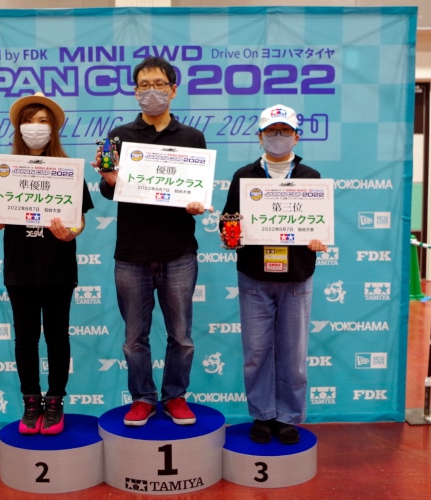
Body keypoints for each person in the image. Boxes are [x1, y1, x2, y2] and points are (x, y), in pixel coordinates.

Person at [94, 57, 209, 427]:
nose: (151, 92)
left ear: (173, 89)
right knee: (134, 338)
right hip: (132, 253)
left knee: (182, 336)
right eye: (144, 85)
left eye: (159, 84)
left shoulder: (191, 137)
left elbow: (198, 190)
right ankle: (142, 398)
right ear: (135, 92)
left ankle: (175, 396)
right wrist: (109, 180)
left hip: (179, 252)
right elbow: (108, 191)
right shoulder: (118, 136)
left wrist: (197, 203)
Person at [0, 92, 94, 435]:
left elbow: (79, 221)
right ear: (18, 128)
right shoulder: (5, 170)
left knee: (57, 337)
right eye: (29, 121)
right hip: (20, 268)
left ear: (53, 129)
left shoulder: (69, 171)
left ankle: (55, 401)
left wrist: (70, 233)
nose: (35, 128)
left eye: (42, 122)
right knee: (25, 339)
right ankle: (30, 402)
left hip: (58, 268)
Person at [220, 104, 328, 444]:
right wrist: (229, 235)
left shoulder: (311, 177)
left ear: (296, 137)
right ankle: (263, 414)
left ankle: (288, 416)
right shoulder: (244, 176)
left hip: (297, 276)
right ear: (259, 137)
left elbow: (320, 224)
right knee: (256, 353)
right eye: (271, 131)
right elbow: (228, 219)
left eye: (284, 131)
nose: (277, 137)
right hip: (254, 275)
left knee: (293, 356)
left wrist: (318, 239)